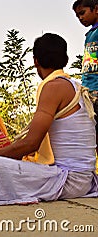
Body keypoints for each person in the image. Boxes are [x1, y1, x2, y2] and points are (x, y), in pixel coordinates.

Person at [0, 33, 98, 205]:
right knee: (0, 163)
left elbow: (31, 143)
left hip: (71, 180)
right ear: (66, 59)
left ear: (35, 61)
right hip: (84, 178)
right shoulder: (75, 85)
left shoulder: (53, 87)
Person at [73, 0, 98, 154]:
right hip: (88, 91)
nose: (80, 18)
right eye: (77, 16)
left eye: (82, 13)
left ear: (96, 9)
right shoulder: (89, 34)